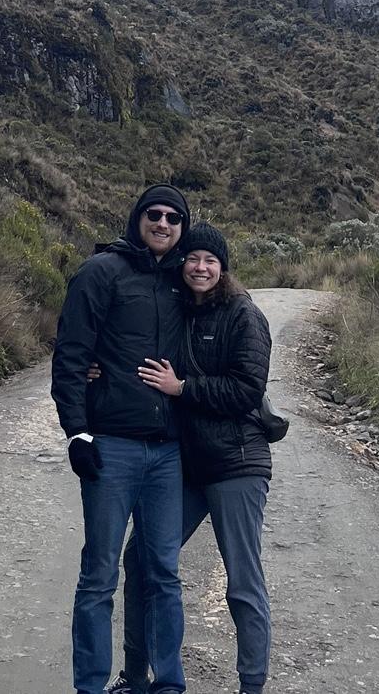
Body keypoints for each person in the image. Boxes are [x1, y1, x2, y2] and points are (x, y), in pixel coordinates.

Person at [112, 222, 274, 694]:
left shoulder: (243, 314)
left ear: (223, 268)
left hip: (236, 463)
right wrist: (98, 368)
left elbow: (247, 389)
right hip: (185, 465)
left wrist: (183, 388)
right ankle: (135, 677)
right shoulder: (177, 309)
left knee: (242, 580)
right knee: (140, 560)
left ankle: (252, 685)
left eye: (210, 260)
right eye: (193, 258)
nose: (200, 268)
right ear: (182, 263)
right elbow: (139, 355)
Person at [52, 184, 193, 694]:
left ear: (183, 227)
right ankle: (89, 687)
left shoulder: (184, 280)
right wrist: (77, 432)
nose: (163, 223)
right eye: (154, 214)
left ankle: (167, 684)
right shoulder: (100, 272)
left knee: (164, 574)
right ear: (137, 218)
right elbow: (71, 355)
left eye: (173, 217)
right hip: (111, 446)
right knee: (99, 575)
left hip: (168, 452)